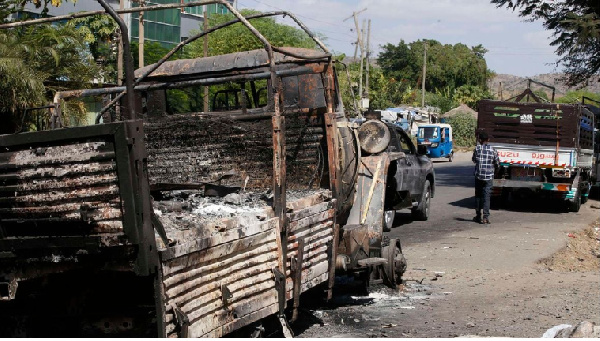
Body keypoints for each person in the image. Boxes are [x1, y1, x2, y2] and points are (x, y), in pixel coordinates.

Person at [472, 131, 499, 224]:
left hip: (478, 176)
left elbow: (474, 160)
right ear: (488, 140)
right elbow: (497, 163)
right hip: (489, 176)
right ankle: (485, 217)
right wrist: (495, 172)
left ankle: (478, 215)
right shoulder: (493, 150)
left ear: (479, 140)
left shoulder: (477, 148)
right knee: (487, 196)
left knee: (478, 196)